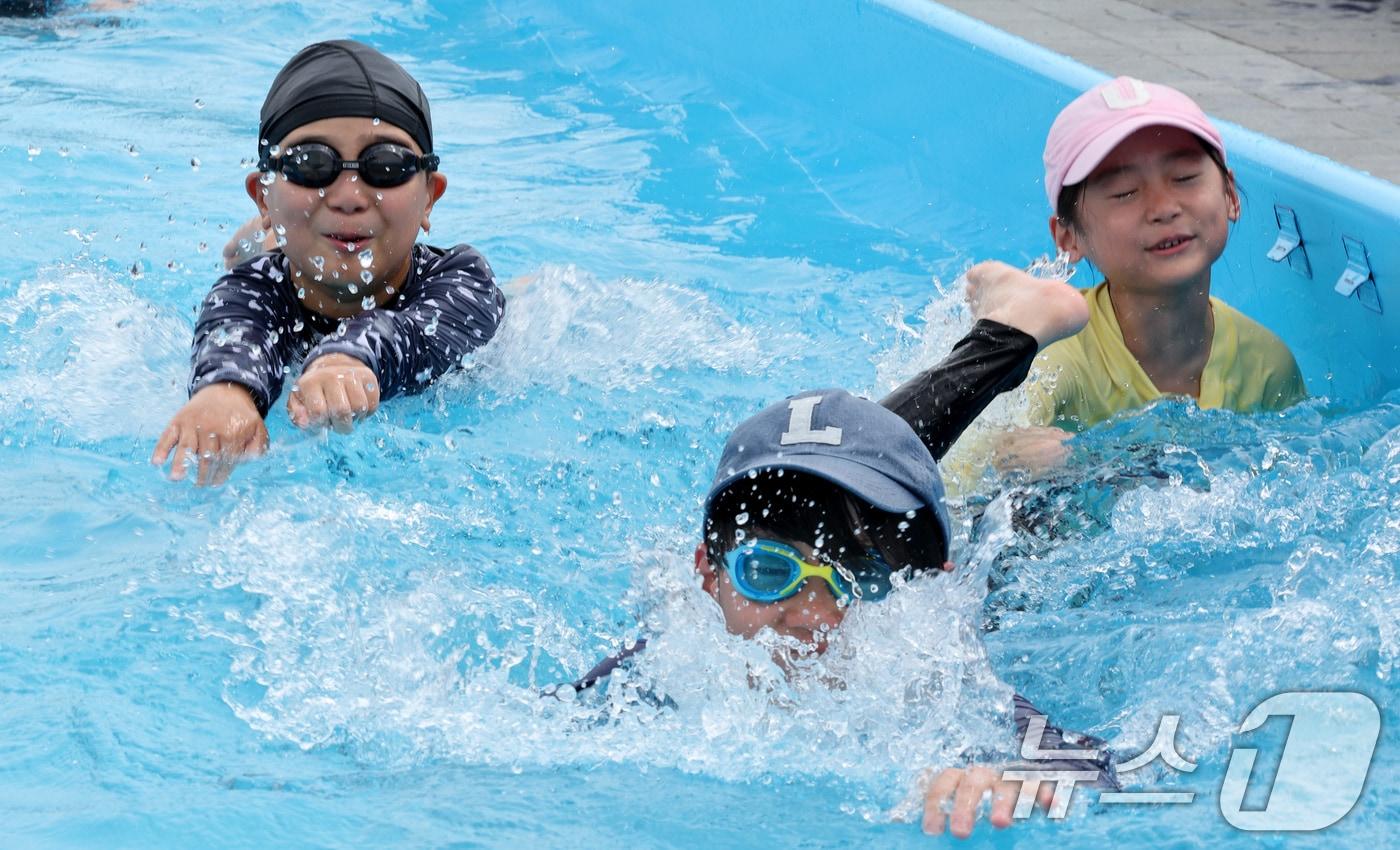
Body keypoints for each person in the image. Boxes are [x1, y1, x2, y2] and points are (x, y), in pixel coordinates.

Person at [552, 262, 1118, 839]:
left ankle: (1009, 344)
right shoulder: (668, 667)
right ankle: (1006, 334)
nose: (815, 619)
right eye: (769, 574)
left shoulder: (937, 677)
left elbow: (1099, 770)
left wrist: (1014, 782)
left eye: (866, 583)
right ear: (708, 574)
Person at [152, 40, 505, 486]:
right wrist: (226, 392)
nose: (349, 197)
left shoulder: (462, 280)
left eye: (388, 164)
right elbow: (235, 325)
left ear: (429, 198)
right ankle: (265, 235)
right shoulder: (256, 288)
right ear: (263, 195)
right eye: (311, 163)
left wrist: (349, 356)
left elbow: (418, 333)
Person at [1003, 77, 1306, 472]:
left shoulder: (1266, 364)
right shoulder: (1055, 358)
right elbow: (973, 459)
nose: (1164, 207)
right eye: (1126, 191)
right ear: (1068, 237)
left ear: (1230, 194)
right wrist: (1014, 452)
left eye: (1184, 177)